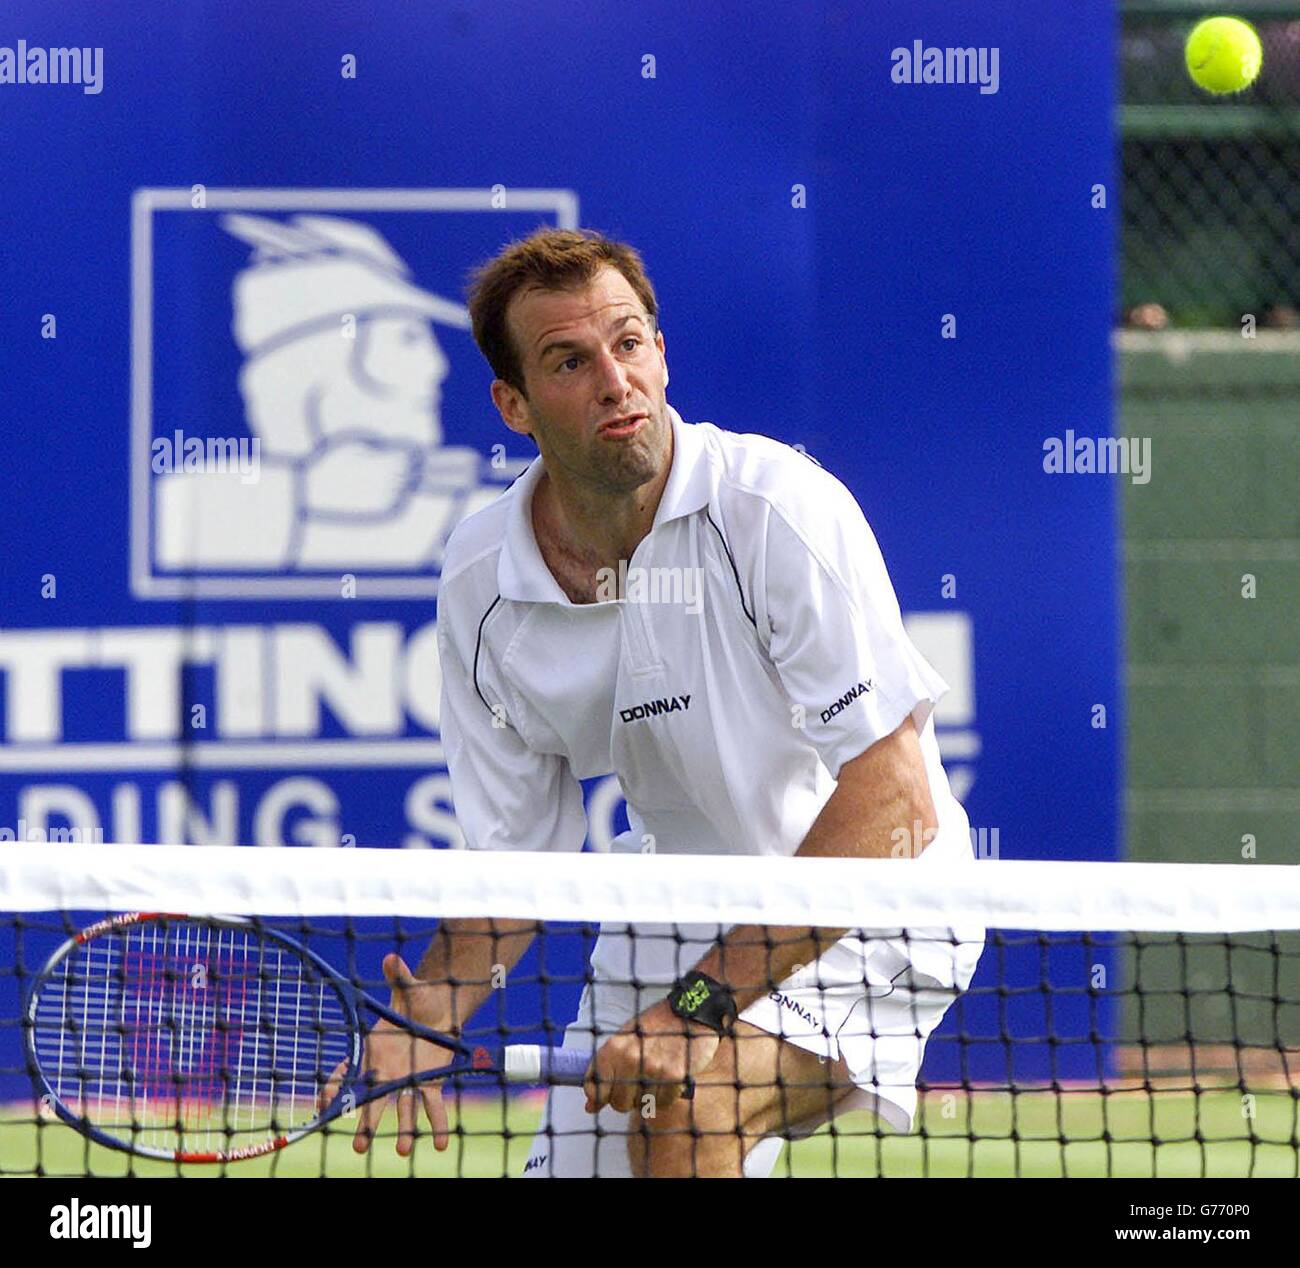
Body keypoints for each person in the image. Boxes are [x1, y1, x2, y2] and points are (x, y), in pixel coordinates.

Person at [349, 227, 984, 1177]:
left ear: (660, 351)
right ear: (513, 405)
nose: (616, 381)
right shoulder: (482, 580)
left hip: (873, 903)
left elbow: (894, 801)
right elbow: (520, 854)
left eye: (630, 342)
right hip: (680, 903)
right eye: (570, 360)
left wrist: (694, 1012)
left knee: (691, 1099)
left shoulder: (773, 509)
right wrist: (428, 1011)